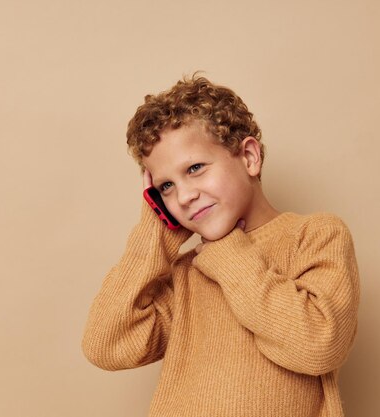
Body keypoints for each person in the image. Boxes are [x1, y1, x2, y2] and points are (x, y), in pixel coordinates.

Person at [81, 74, 361, 417]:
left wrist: (230, 253)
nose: (184, 196)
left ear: (248, 157)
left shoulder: (315, 236)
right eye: (166, 187)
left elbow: (318, 345)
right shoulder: (186, 274)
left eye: (195, 168)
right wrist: (154, 234)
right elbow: (106, 345)